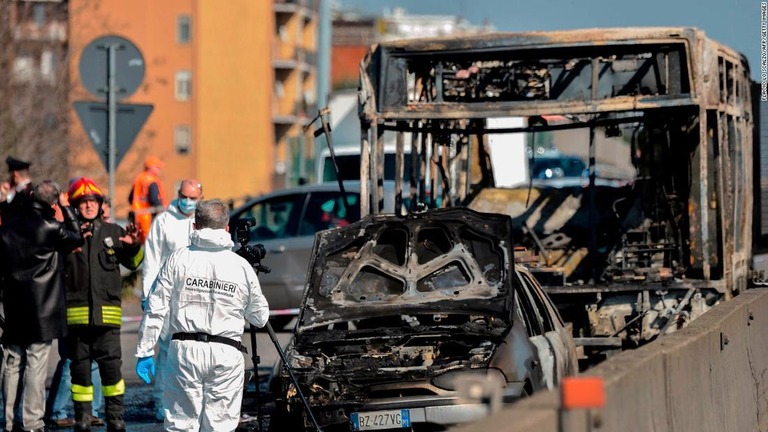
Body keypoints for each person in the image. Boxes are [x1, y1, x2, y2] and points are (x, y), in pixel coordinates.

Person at [135, 199, 269, 432]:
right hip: (226, 353)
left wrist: (145, 350)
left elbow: (155, 308)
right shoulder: (240, 267)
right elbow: (260, 317)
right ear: (226, 229)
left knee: (181, 424)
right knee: (220, 426)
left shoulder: (178, 259)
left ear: (194, 226)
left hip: (184, 352)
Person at [0, 180, 83, 432]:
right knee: (36, 365)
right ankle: (32, 421)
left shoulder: (7, 229)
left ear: (32, 195)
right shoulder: (51, 227)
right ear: (54, 202)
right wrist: (68, 209)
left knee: (12, 363)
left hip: (13, 306)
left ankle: (10, 420)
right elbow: (76, 237)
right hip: (43, 308)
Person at [64, 177, 143, 431]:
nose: (88, 206)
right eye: (83, 202)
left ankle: (115, 417)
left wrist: (134, 247)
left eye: (92, 201)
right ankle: (83, 418)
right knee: (80, 372)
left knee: (112, 371)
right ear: (76, 206)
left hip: (107, 317)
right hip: (76, 319)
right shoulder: (66, 235)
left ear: (100, 204)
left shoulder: (114, 232)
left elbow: (133, 264)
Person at [141, 179, 203, 421]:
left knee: (194, 351)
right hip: (167, 295)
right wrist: (148, 295)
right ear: (178, 194)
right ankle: (161, 401)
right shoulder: (164, 222)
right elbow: (152, 260)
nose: (188, 201)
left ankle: (191, 401)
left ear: (200, 198)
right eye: (184, 196)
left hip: (195, 296)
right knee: (167, 350)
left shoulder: (202, 222)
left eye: (193, 197)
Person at [129, 155, 167, 243]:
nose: (159, 170)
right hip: (149, 217)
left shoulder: (139, 178)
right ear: (151, 168)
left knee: (138, 240)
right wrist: (162, 212)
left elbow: (131, 198)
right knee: (150, 242)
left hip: (137, 216)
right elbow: (154, 200)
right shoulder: (151, 181)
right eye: (157, 168)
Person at [0, 156, 34, 224]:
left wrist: (4, 199)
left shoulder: (25, 193)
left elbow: (9, 219)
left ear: (15, 174)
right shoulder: (31, 190)